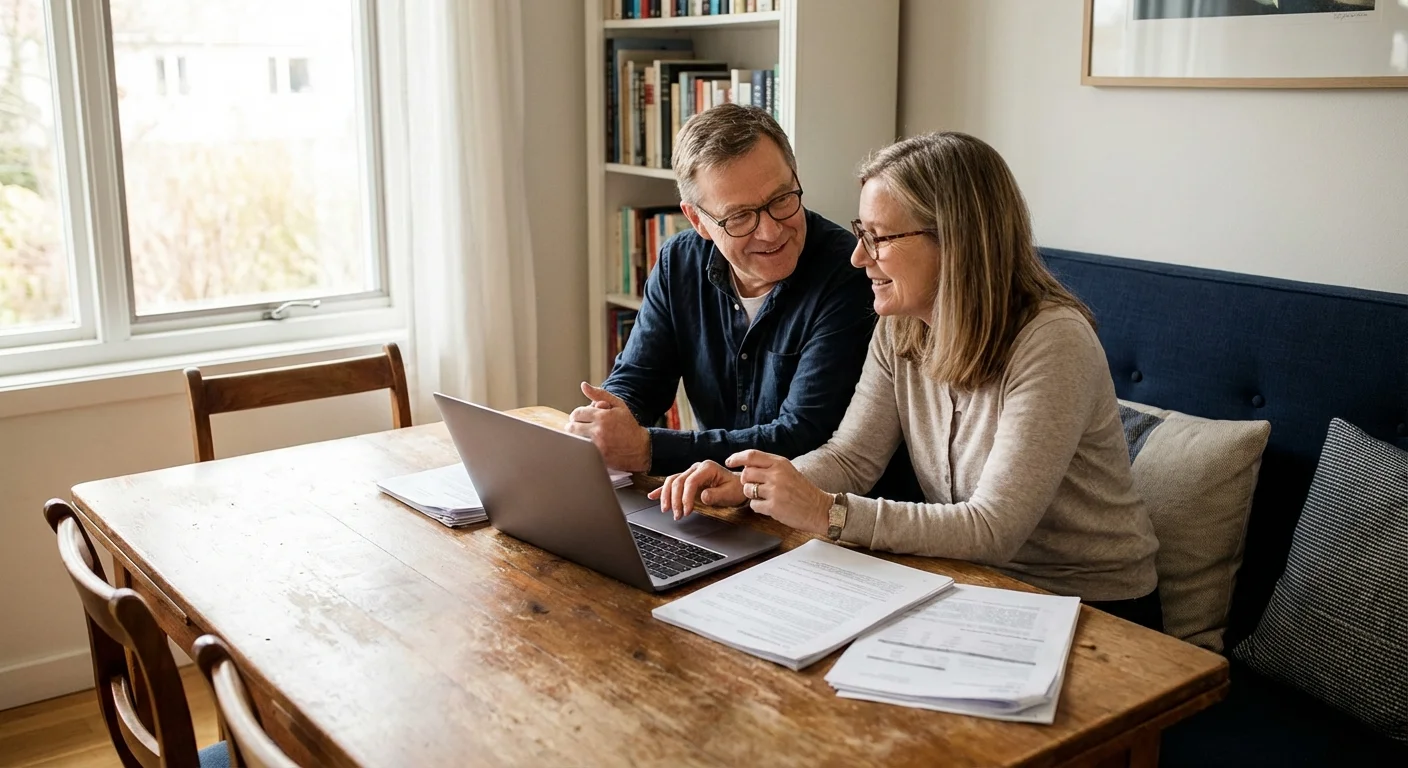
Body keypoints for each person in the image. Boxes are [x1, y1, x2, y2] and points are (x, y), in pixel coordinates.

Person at [651, 132, 1162, 630]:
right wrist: (749, 486)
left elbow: (993, 528)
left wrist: (827, 513)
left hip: (1094, 609)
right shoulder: (900, 326)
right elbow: (851, 457)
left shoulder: (1052, 342)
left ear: (955, 240)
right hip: (973, 583)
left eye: (879, 238)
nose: (858, 257)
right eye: (860, 233)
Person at [567, 103, 918, 497]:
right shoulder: (677, 262)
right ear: (698, 220)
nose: (770, 231)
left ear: (796, 176)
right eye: (739, 217)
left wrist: (648, 449)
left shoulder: (849, 272)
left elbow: (803, 435)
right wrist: (607, 420)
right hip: (719, 501)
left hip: (828, 516)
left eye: (782, 199)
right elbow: (640, 379)